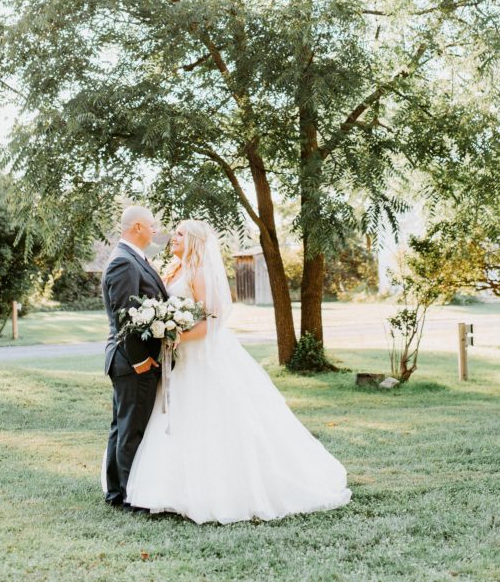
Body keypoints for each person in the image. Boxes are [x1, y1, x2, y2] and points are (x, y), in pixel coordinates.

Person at [124, 219, 352, 523]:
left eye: (180, 234)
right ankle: (171, 490)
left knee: (212, 418)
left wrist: (176, 334)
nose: (172, 238)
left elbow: (213, 320)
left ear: (193, 241)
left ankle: (219, 489)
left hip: (202, 357)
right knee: (177, 417)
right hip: (180, 360)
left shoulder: (200, 272)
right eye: (174, 233)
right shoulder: (173, 269)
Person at [101, 204, 168, 511]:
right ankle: (129, 497)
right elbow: (125, 315)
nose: (155, 231)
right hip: (131, 362)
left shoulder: (135, 259)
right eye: (151, 226)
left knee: (124, 426)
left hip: (130, 361)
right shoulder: (124, 263)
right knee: (130, 430)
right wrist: (140, 359)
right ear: (137, 227)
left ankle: (117, 493)